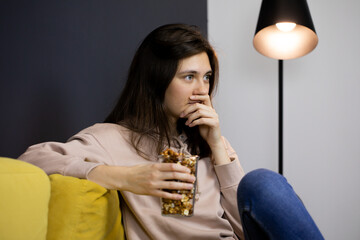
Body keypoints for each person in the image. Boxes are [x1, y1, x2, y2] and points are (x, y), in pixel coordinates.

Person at [18, 24, 324, 240]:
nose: (201, 90)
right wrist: (126, 177)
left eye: (206, 78)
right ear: (156, 80)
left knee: (262, 181)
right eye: (188, 77)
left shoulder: (209, 141)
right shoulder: (110, 138)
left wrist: (218, 147)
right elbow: (33, 159)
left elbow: (242, 229)